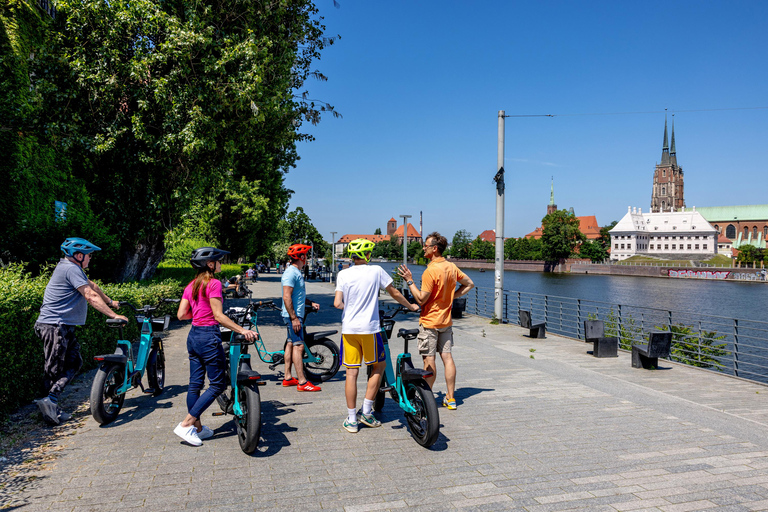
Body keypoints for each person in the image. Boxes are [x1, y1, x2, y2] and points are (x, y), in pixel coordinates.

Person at [34, 238, 129, 425]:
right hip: (54, 325)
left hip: (62, 325)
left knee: (74, 362)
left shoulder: (72, 268)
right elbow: (90, 295)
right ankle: (48, 409)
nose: (90, 258)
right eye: (89, 255)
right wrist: (114, 315)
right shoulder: (70, 268)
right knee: (53, 370)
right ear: (78, 256)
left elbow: (92, 286)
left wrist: (110, 302)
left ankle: (51, 401)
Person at [174, 247, 258, 446]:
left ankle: (198, 429)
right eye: (219, 260)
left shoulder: (191, 285)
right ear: (209, 264)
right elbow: (219, 316)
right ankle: (186, 424)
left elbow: (181, 315)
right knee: (218, 384)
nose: (221, 263)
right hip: (208, 337)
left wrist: (200, 315)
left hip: (193, 336)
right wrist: (242, 330)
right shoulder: (213, 284)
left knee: (195, 384)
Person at [334, 239, 418, 433]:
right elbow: (394, 293)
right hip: (370, 330)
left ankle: (352, 419)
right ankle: (367, 411)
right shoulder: (376, 271)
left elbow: (338, 303)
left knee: (351, 373)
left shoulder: (343, 274)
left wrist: (352, 309)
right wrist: (411, 306)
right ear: (367, 256)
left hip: (349, 330)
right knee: (379, 367)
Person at [397, 232, 474, 410]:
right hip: (446, 322)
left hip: (430, 322)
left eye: (426, 245)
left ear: (434, 249)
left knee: (428, 361)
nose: (423, 247)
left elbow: (421, 299)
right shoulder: (451, 267)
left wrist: (409, 281)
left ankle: (428, 401)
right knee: (447, 358)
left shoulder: (430, 271)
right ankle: (451, 398)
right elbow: (469, 284)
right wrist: (450, 297)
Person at [281, 244, 321, 392]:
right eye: (306, 256)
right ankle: (302, 382)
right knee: (299, 346)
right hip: (294, 315)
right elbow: (287, 296)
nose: (308, 259)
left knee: (291, 344)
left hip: (293, 314)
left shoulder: (294, 272)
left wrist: (310, 303)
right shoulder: (291, 273)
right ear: (302, 257)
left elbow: (297, 296)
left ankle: (287, 377)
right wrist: (294, 318)